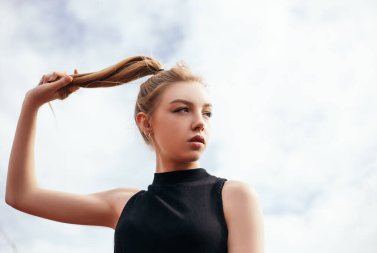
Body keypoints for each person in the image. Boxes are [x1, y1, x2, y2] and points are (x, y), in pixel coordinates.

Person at [5, 56, 264, 252]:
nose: (200, 122)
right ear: (146, 122)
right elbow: (21, 195)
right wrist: (32, 103)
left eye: (207, 112)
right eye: (182, 110)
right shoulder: (124, 205)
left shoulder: (233, 196)